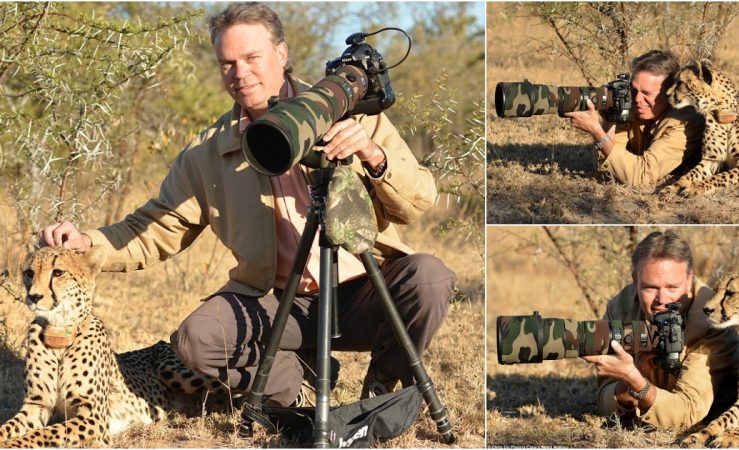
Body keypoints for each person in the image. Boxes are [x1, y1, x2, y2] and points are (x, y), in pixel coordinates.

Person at [37, 2, 456, 407]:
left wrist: (371, 154)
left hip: (364, 290)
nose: (241, 74)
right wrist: (85, 243)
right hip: (274, 301)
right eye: (227, 63)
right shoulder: (205, 152)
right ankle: (289, 384)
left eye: (252, 57)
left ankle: (384, 381)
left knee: (430, 278)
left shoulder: (350, 111)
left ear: (282, 53)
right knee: (196, 341)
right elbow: (154, 229)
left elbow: (420, 198)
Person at [582, 230, 739, 428]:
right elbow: (605, 398)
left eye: (672, 287)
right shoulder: (622, 306)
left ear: (690, 281)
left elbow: (687, 413)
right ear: (635, 281)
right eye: (650, 288)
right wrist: (629, 383)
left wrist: (636, 381)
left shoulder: (712, 321)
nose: (662, 300)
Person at [565, 50, 705, 187]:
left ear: (669, 93)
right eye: (634, 90)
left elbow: (640, 176)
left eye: (646, 93)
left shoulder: (685, 122)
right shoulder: (632, 107)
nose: (637, 99)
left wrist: (597, 132)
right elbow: (606, 164)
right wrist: (610, 118)